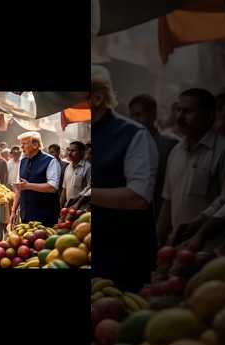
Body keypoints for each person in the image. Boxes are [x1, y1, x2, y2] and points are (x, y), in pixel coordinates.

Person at [91, 65, 159, 292]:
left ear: (97, 98)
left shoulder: (134, 135)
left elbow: (138, 197)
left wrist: (87, 194)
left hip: (123, 256)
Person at [157, 88, 225, 247]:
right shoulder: (176, 151)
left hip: (211, 250)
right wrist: (159, 242)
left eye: (188, 111)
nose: (180, 117)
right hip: (177, 247)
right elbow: (168, 203)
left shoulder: (224, 151)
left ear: (209, 116)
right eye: (179, 110)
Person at [129, 94, 178, 218]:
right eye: (132, 116)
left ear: (153, 115)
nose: (134, 120)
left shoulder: (170, 145)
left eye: (139, 115)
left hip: (161, 212)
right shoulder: (127, 146)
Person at [10, 131, 61, 228]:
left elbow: (52, 187)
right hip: (26, 215)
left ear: (35, 145)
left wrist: (28, 186)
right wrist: (13, 211)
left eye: (24, 144)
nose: (22, 147)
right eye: (21, 144)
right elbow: (19, 189)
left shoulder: (50, 161)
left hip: (45, 216)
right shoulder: (23, 162)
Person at [60, 141, 91, 208]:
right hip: (68, 207)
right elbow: (64, 189)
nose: (69, 153)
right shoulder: (68, 167)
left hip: (83, 208)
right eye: (69, 150)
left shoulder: (88, 167)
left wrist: (78, 203)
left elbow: (90, 189)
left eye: (73, 151)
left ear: (81, 152)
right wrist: (61, 206)